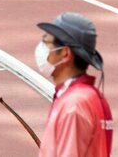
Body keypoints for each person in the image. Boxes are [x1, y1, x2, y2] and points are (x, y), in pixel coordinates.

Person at [35, 12, 113, 157]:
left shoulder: (74, 104)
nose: (41, 48)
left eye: (46, 42)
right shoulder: (91, 97)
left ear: (65, 54)